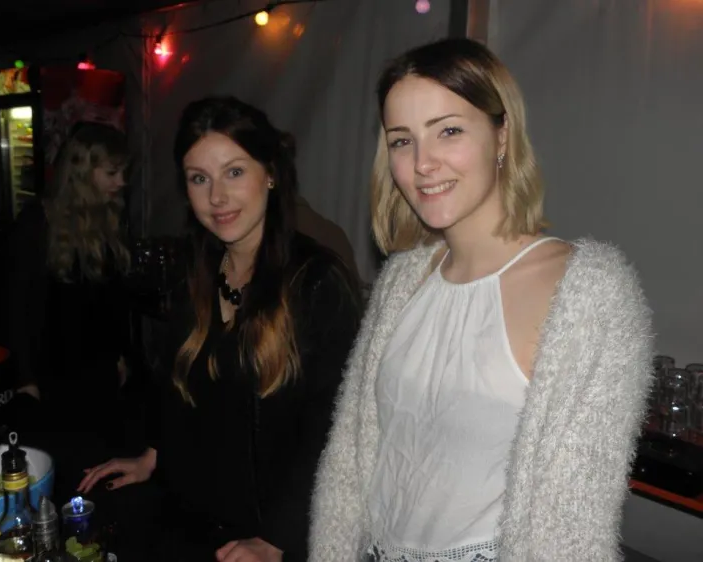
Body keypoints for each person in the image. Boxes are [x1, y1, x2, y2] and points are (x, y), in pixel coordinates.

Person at [308, 38, 653, 562]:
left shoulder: (588, 293)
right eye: (402, 141)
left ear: (501, 135)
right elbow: (350, 465)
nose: (423, 163)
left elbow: (572, 526)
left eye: (448, 130)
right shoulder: (402, 280)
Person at [79, 96, 362, 562]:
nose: (216, 197)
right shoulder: (198, 270)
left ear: (270, 173)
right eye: (199, 178)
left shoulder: (316, 282)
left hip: (272, 538)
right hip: (194, 522)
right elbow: (178, 389)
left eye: (234, 172)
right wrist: (155, 453)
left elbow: (333, 429)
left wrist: (277, 539)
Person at [5, 122, 135, 506]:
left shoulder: (108, 217)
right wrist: (24, 377)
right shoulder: (37, 222)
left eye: (123, 172)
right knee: (63, 475)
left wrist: (120, 353)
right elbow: (16, 306)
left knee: (103, 469)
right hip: (53, 374)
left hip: (98, 370)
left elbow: (112, 299)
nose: (122, 182)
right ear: (82, 171)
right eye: (112, 172)